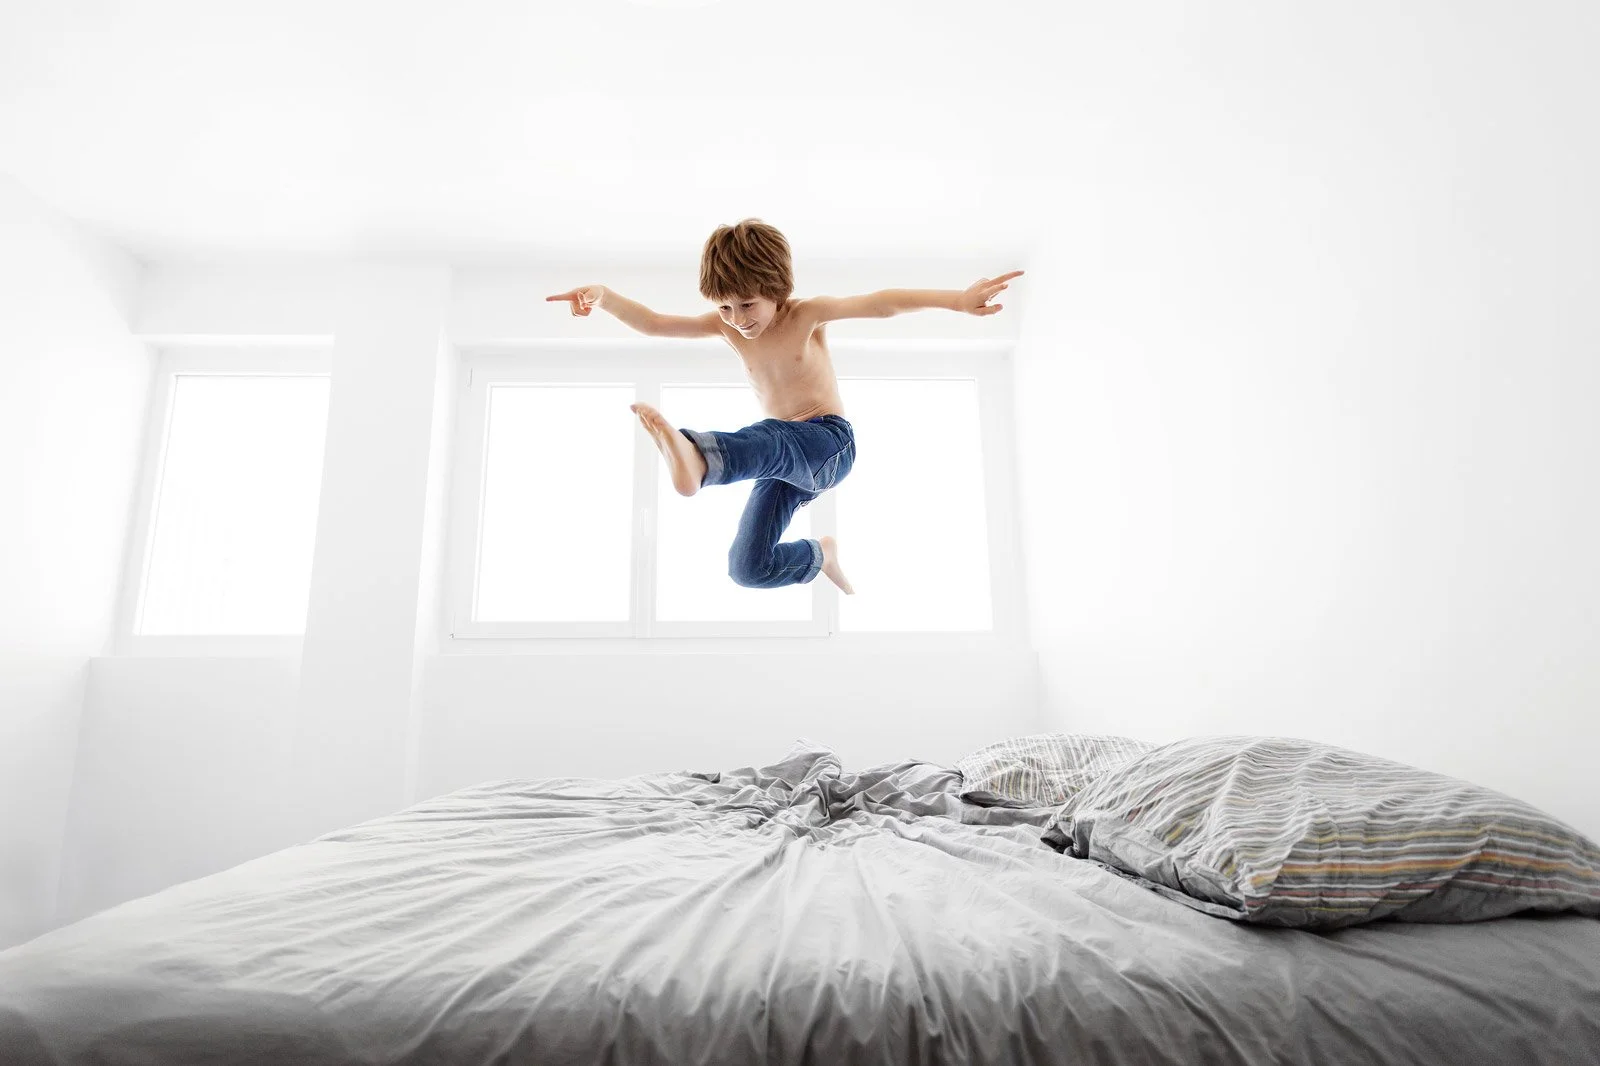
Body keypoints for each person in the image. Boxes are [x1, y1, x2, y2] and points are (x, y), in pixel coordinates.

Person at [548, 218, 1021, 595]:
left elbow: (881, 303)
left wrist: (958, 300)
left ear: (777, 291)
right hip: (781, 460)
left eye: (748, 305)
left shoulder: (806, 315)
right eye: (727, 308)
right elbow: (654, 324)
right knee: (746, 568)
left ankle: (700, 458)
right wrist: (603, 296)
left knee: (771, 436)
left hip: (828, 444)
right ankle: (822, 556)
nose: (738, 319)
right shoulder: (726, 327)